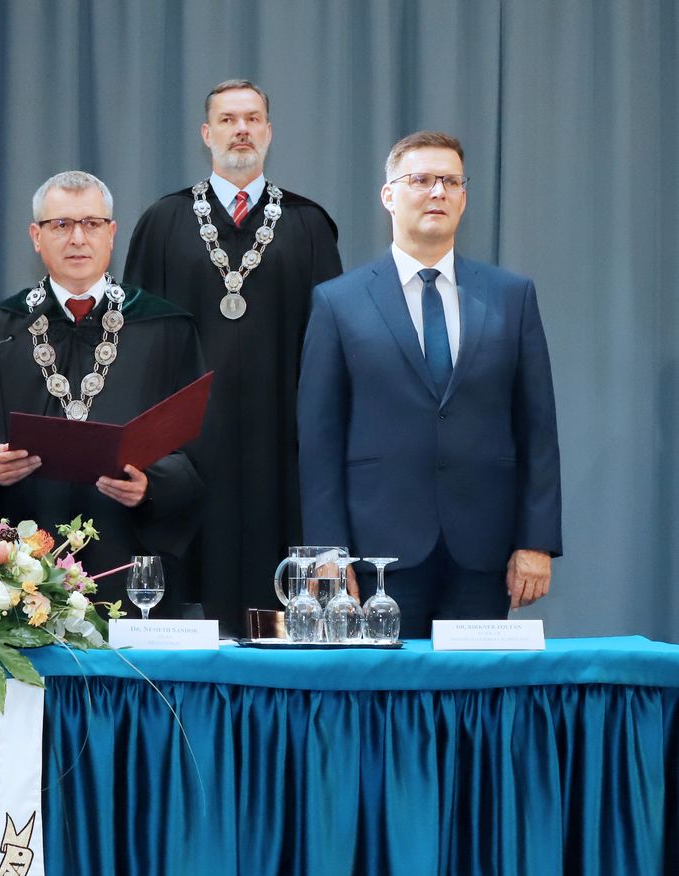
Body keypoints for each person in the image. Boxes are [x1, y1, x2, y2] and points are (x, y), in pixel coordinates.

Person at [298, 131, 561, 637]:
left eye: (450, 181)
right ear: (388, 195)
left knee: (474, 690)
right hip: (377, 554)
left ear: (463, 197)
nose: (437, 191)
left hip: (484, 550)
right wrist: (328, 552)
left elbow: (538, 428)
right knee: (386, 688)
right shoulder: (338, 302)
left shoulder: (512, 296)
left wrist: (536, 540)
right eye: (420, 179)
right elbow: (319, 438)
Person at [0, 171, 205, 616]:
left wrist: (153, 485)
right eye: (61, 224)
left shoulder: (165, 330)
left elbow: (199, 443)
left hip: (127, 555)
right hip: (17, 565)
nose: (77, 238)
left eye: (91, 223)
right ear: (36, 237)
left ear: (112, 233)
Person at [122, 79, 343, 629]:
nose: (240, 129)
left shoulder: (309, 224)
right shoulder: (163, 222)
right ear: (206, 133)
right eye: (227, 119)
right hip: (187, 452)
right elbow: (134, 346)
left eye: (251, 119)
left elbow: (333, 349)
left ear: (269, 131)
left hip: (282, 447)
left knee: (281, 612)